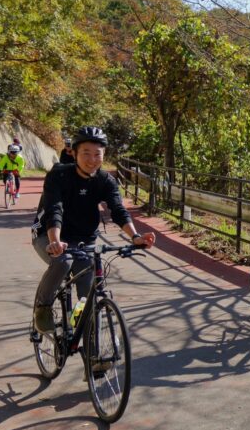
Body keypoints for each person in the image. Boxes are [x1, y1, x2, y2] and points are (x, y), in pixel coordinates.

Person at [31, 126, 156, 333]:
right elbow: (55, 209)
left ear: (104, 155)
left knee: (87, 296)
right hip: (48, 233)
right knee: (63, 261)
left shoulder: (105, 180)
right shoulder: (59, 175)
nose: (92, 159)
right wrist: (55, 240)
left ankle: (91, 349)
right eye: (86, 153)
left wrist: (135, 236)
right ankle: (42, 308)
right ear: (74, 153)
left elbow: (118, 210)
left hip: (83, 238)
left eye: (97, 154)